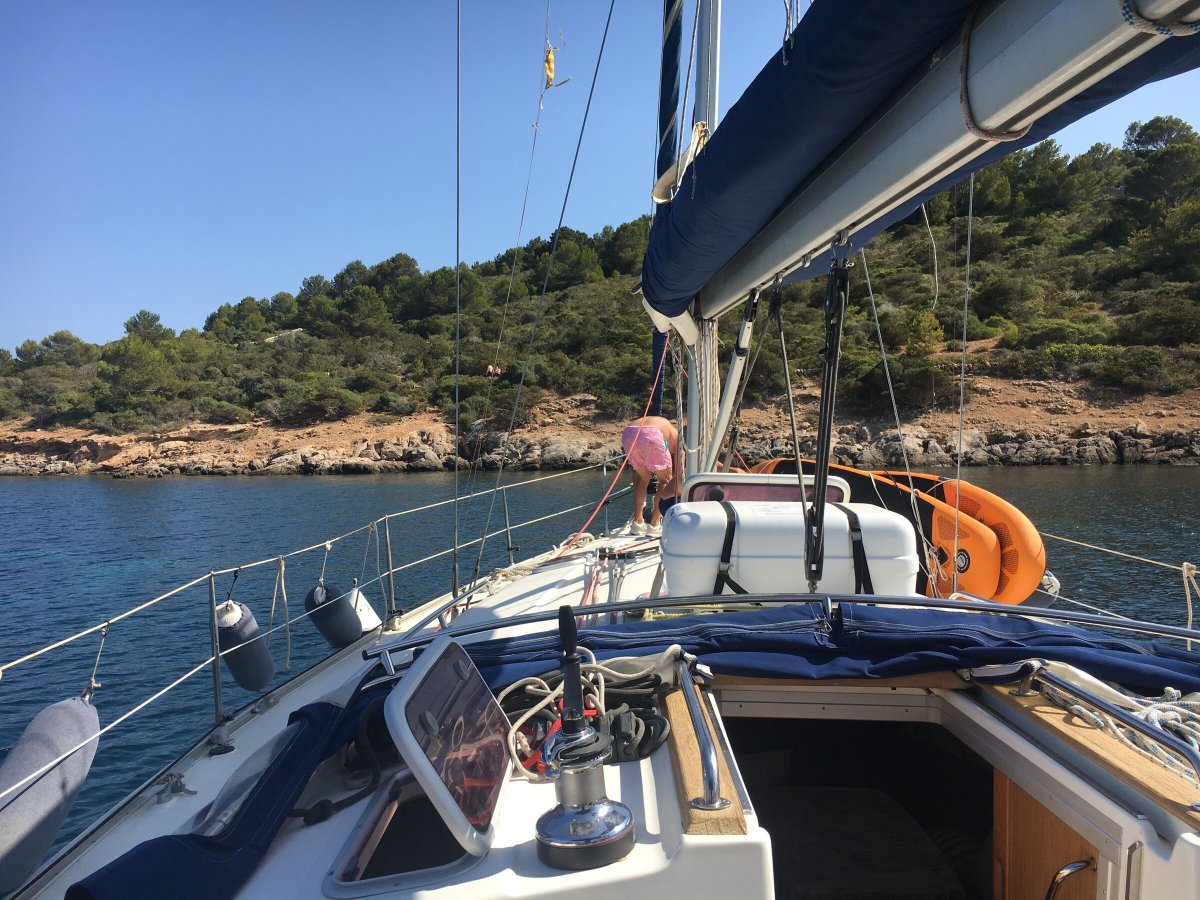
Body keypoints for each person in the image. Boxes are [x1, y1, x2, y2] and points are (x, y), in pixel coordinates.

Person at [620, 415, 678, 535]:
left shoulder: (663, 424)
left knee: (642, 478)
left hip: (629, 432)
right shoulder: (677, 437)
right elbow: (679, 469)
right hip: (652, 434)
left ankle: (637, 523)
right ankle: (654, 525)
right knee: (666, 481)